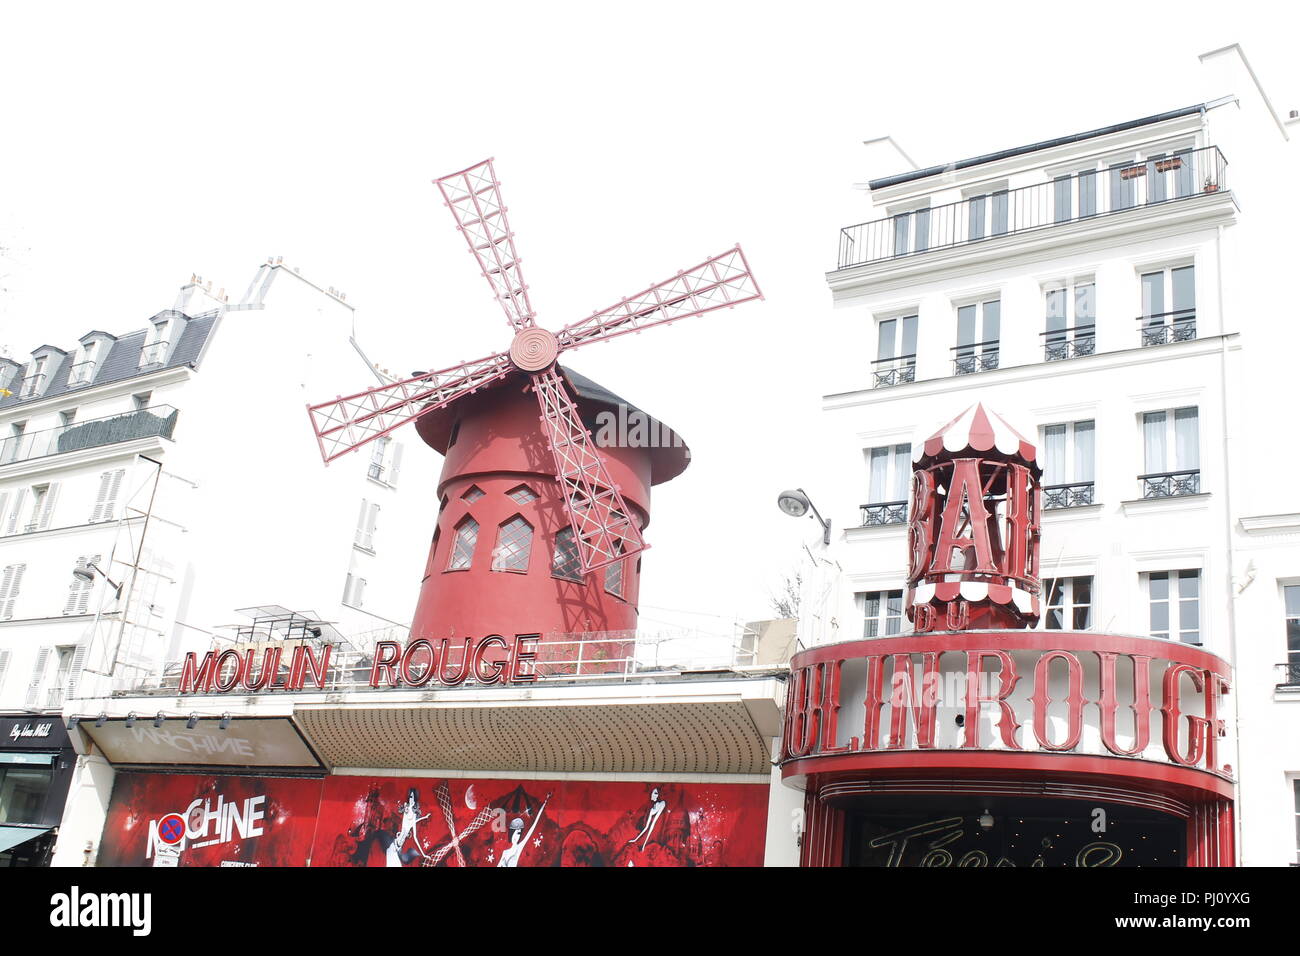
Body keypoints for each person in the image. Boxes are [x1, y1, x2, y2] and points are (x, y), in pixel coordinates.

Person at [497, 792, 551, 867]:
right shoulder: (505, 852)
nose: (516, 836)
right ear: (511, 834)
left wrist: (544, 804)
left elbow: (533, 827)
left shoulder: (519, 847)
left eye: (518, 833)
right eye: (514, 833)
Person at [386, 788, 431, 867]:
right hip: (394, 847)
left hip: (397, 849)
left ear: (415, 800)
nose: (411, 799)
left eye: (412, 798)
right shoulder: (406, 812)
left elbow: (415, 837)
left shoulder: (413, 816)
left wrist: (424, 854)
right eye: (410, 797)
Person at [627, 787, 668, 852]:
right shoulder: (652, 809)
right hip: (653, 832)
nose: (652, 795)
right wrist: (635, 839)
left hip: (661, 832)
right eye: (652, 793)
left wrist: (644, 845)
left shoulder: (663, 803)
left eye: (655, 793)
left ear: (659, 795)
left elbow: (653, 824)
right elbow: (647, 827)